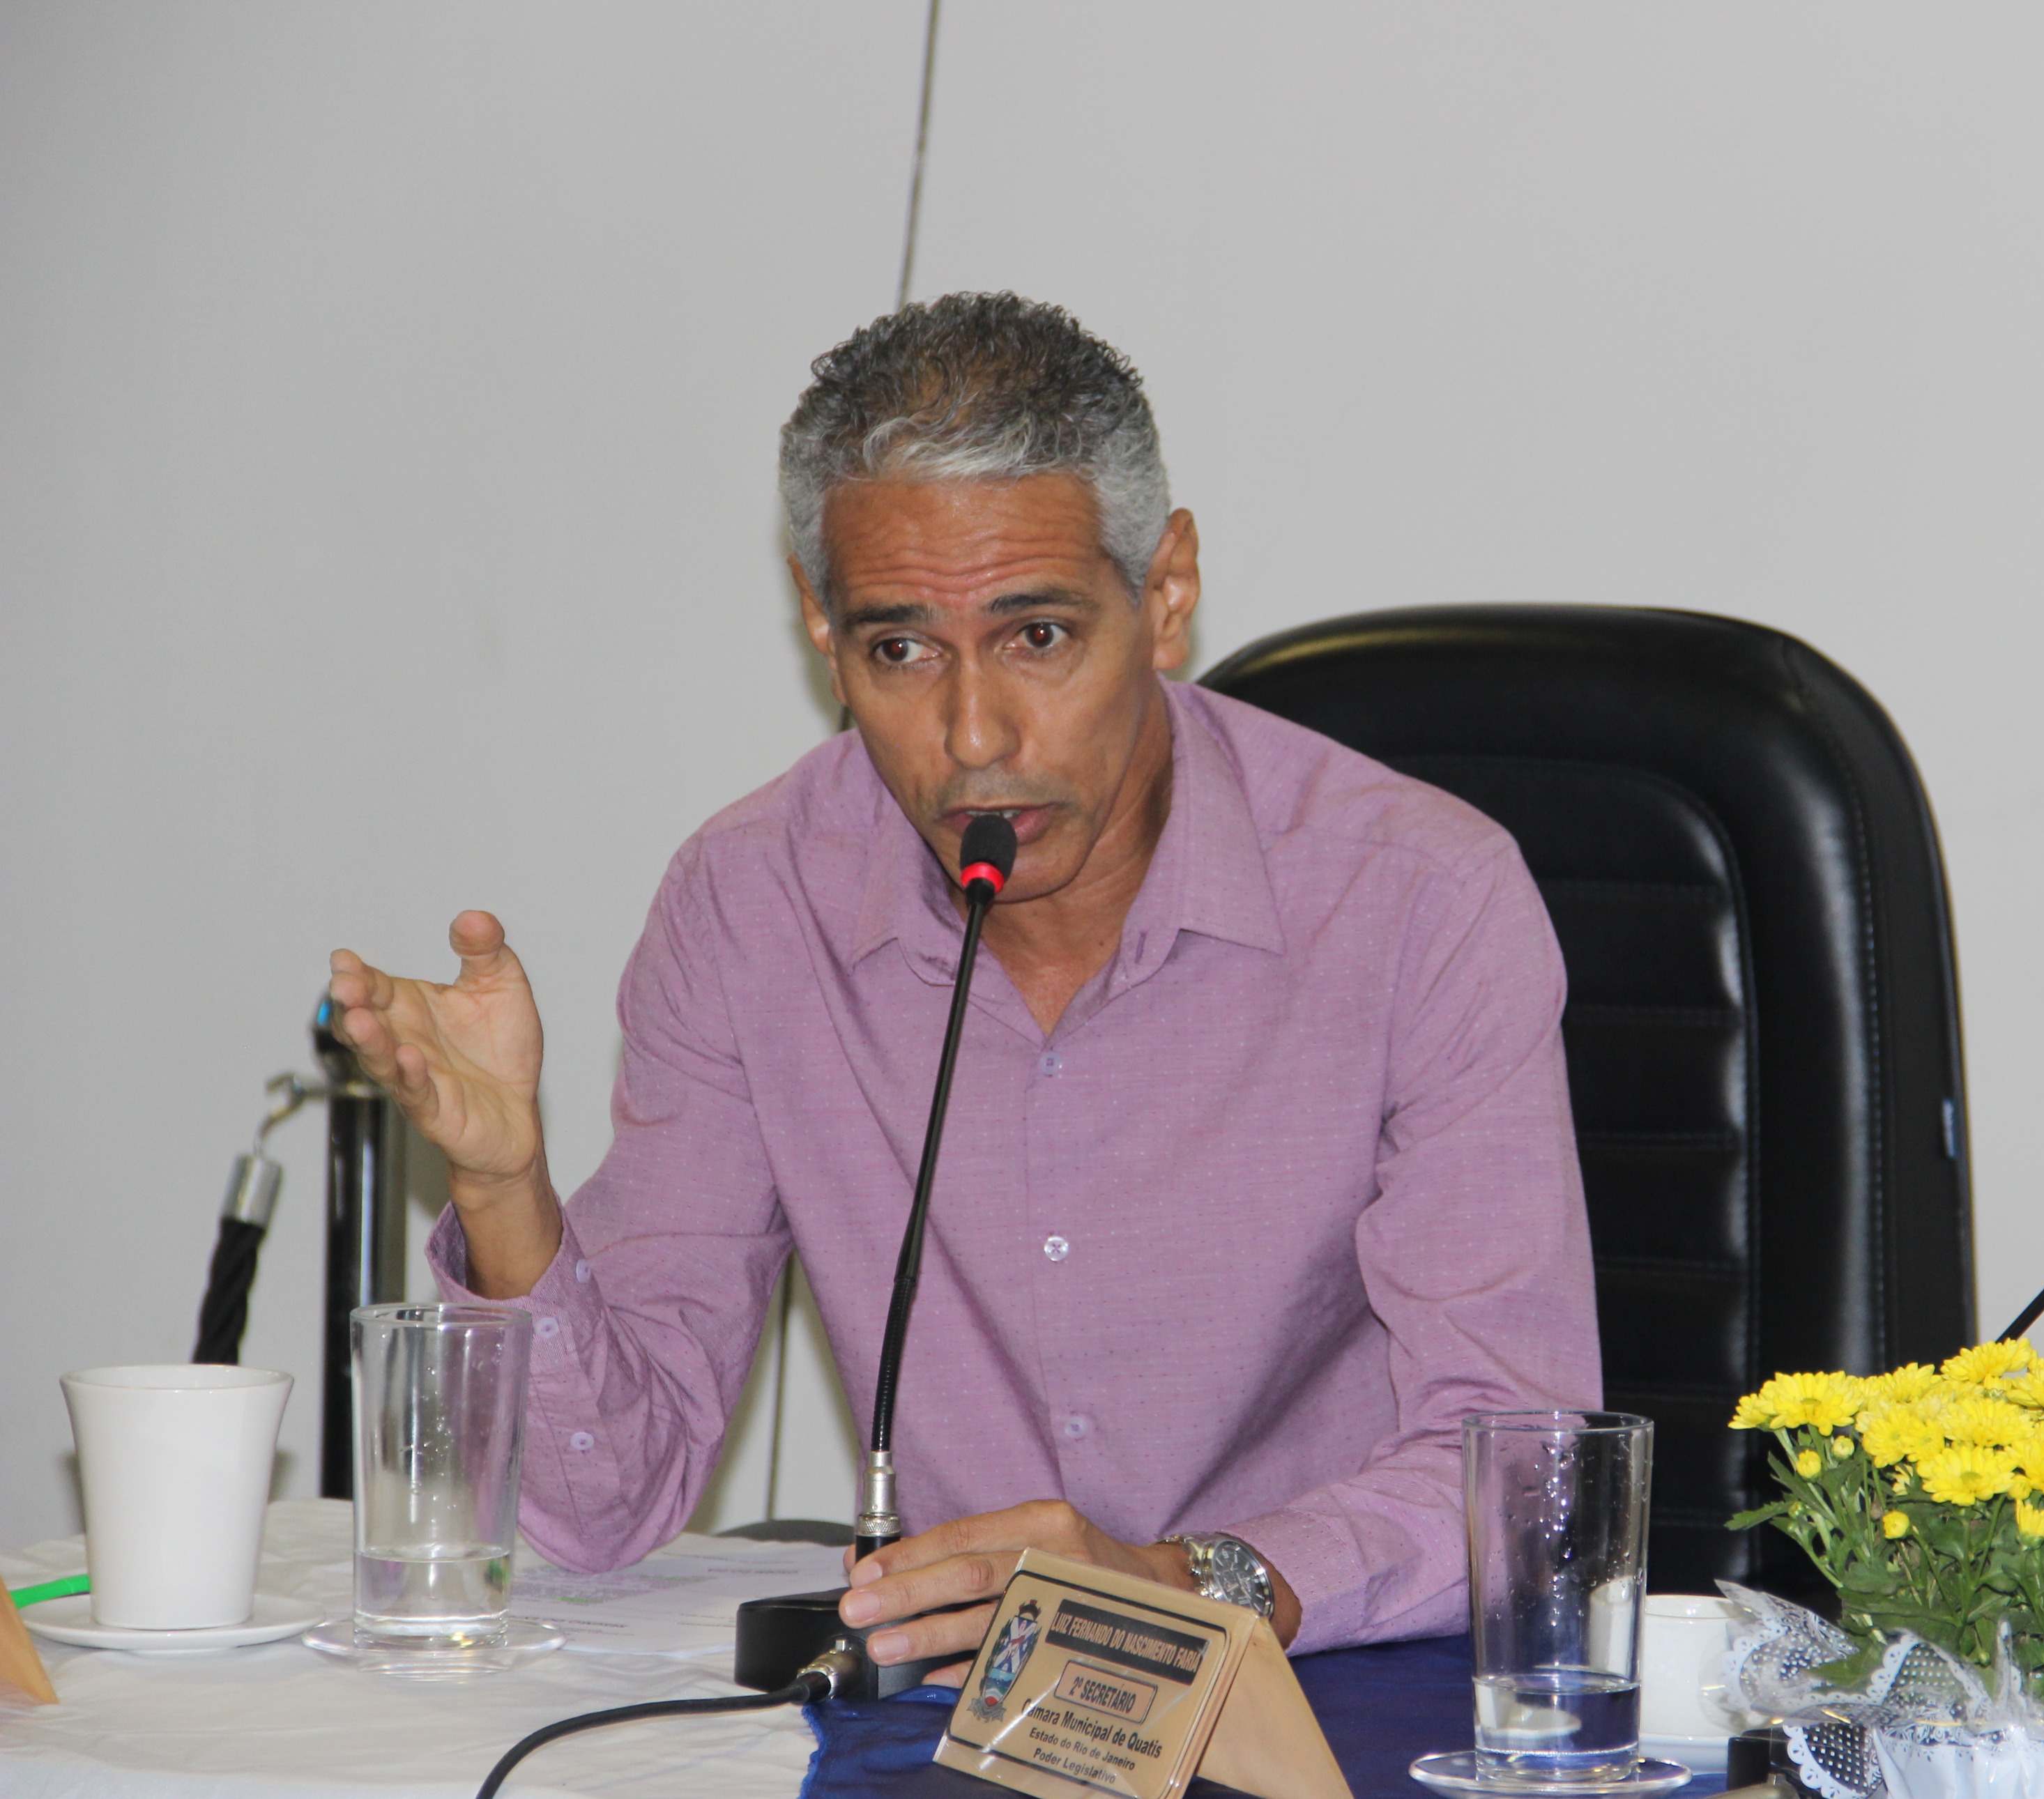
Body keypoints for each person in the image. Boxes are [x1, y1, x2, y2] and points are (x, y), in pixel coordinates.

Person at [325, 293, 1599, 1674]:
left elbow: (1518, 1476)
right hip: (949, 1706)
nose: (974, 735)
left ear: (1165, 594)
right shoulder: (751, 904)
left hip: (1321, 1684)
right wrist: (505, 1192)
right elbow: (600, 1507)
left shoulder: (1419, 898)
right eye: (901, 650)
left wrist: (1178, 1584)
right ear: (821, 627)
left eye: (1037, 635)